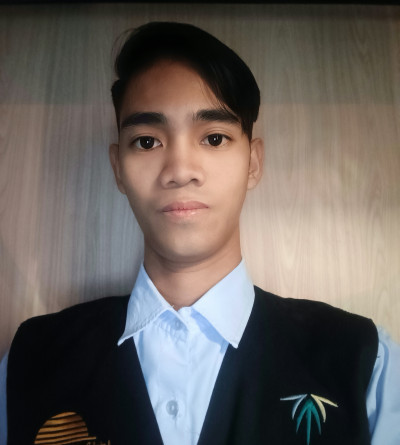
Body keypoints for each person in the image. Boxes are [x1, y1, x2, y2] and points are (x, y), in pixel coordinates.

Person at [0, 21, 399, 445]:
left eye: (214, 138)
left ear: (253, 163)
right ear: (118, 168)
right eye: (147, 142)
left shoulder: (364, 362)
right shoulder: (30, 361)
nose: (180, 171)